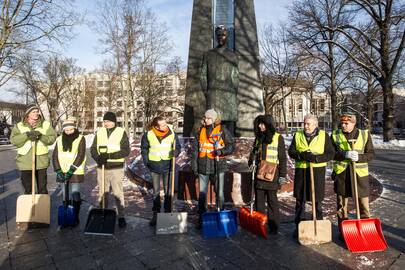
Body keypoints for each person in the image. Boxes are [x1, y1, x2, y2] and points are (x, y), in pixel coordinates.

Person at [288, 114, 335, 237]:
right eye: (304, 123)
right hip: (302, 171)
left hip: (317, 171)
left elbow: (330, 153)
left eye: (308, 124)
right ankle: (299, 226)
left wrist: (316, 158)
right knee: (300, 200)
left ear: (315, 125)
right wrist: (301, 155)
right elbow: (291, 151)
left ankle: (318, 225)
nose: (305, 126)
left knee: (317, 201)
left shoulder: (324, 136)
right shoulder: (297, 135)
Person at [331, 112, 375, 232]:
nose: (343, 125)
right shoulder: (335, 135)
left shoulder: (364, 134)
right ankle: (343, 231)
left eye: (346, 123)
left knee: (363, 205)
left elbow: (371, 154)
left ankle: (366, 231)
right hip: (342, 175)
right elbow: (331, 153)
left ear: (354, 123)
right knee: (341, 206)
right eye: (342, 123)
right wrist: (344, 154)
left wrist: (359, 157)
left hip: (359, 176)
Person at [191, 109, 234, 229]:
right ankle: (202, 218)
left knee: (219, 193)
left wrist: (221, 151)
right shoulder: (200, 131)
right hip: (203, 166)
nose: (206, 119)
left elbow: (231, 145)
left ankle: (220, 214)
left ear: (215, 119)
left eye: (209, 118)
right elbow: (195, 151)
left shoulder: (222, 130)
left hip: (218, 166)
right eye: (205, 117)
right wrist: (194, 166)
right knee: (202, 194)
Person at [248, 115, 288, 234]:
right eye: (259, 124)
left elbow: (282, 158)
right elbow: (253, 153)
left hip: (272, 174)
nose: (260, 126)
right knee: (259, 201)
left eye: (262, 124)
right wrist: (251, 162)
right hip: (259, 173)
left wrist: (282, 175)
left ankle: (273, 225)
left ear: (268, 124)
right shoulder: (258, 138)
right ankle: (260, 224)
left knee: (272, 201)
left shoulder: (278, 138)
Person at [90, 112, 130, 228]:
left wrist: (108, 156)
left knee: (118, 192)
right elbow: (93, 149)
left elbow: (125, 151)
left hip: (116, 168)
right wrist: (98, 158)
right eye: (105, 121)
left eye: (108, 121)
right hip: (101, 168)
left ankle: (121, 216)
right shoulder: (100, 132)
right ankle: (103, 213)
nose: (106, 123)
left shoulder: (121, 132)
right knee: (102, 193)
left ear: (114, 122)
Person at [141, 116, 181, 226]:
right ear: (155, 126)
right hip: (154, 165)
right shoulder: (148, 134)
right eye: (162, 125)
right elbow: (144, 149)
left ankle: (168, 213)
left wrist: (176, 152)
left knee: (168, 191)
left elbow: (178, 146)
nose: (165, 126)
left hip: (168, 166)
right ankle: (156, 214)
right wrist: (147, 162)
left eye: (165, 124)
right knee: (156, 191)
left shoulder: (172, 133)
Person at [200, 25, 239, 135]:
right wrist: (207, 92)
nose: (221, 37)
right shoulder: (208, 55)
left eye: (223, 35)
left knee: (228, 128)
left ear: (228, 37)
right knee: (213, 126)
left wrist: (233, 93)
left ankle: (228, 149)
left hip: (229, 96)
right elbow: (203, 76)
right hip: (213, 96)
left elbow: (235, 76)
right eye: (219, 35)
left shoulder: (233, 55)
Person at [10, 104, 57, 194]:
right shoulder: (19, 126)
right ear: (28, 114)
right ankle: (30, 207)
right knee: (28, 188)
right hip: (25, 161)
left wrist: (41, 136)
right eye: (33, 112)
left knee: (42, 188)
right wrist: (26, 135)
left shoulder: (45, 125)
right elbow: (13, 140)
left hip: (41, 161)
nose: (36, 113)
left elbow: (52, 139)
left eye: (37, 111)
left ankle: (41, 206)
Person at [52, 118, 86, 226]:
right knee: (64, 194)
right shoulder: (59, 139)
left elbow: (81, 155)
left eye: (71, 129)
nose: (69, 132)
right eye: (66, 130)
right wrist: (58, 170)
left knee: (75, 193)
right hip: (62, 170)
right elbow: (55, 156)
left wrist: (71, 169)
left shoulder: (80, 138)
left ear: (74, 128)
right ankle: (67, 215)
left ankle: (75, 215)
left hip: (75, 171)